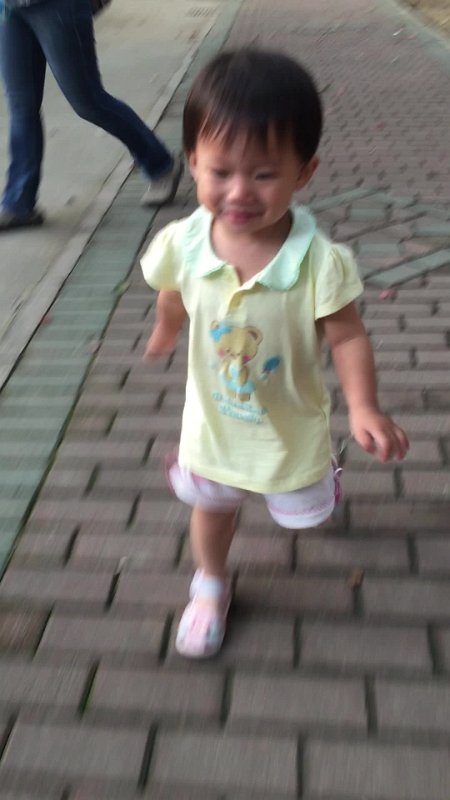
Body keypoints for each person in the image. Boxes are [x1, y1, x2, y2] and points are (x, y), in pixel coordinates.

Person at [141, 48, 409, 659]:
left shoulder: (320, 262)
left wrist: (363, 407)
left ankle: (323, 480)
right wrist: (166, 329)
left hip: (289, 428)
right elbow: (172, 291)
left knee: (303, 511)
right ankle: (210, 584)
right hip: (212, 427)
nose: (239, 192)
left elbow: (347, 335)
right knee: (212, 507)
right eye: (220, 171)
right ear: (192, 162)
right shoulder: (183, 242)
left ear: (304, 172)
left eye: (263, 175)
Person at [0, 0, 182, 232]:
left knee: (88, 102)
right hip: (10, 8)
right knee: (21, 106)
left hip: (56, 7)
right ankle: (19, 202)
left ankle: (161, 165)